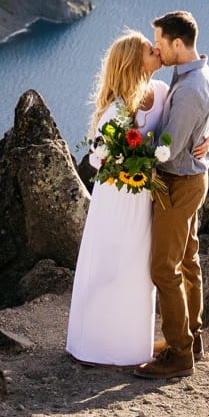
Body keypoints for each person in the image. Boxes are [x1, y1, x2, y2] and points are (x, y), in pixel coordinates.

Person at [65, 31, 169, 366]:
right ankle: (95, 345)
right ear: (133, 63)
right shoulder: (114, 112)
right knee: (110, 267)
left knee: (139, 270)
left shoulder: (164, 93)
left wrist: (206, 137)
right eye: (149, 50)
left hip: (143, 200)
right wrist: (130, 164)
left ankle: (131, 346)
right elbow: (99, 158)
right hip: (117, 199)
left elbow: (188, 124)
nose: (157, 50)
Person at [136, 9, 209, 380]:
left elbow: (168, 148)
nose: (156, 49)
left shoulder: (189, 90)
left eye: (160, 43)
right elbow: (194, 130)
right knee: (188, 261)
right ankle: (191, 338)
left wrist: (130, 158)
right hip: (191, 179)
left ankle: (179, 353)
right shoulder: (196, 73)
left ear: (178, 44)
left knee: (163, 268)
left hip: (178, 184)